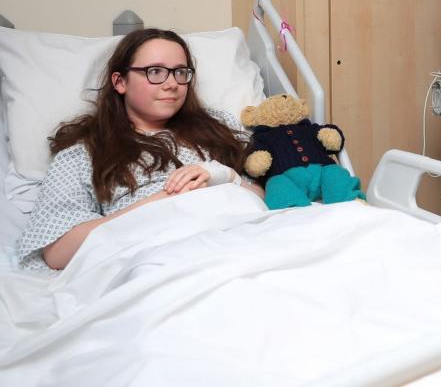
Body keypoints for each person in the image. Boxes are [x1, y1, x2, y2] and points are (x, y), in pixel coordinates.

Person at [16, 28, 262, 272]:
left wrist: (225, 177)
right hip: (160, 256)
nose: (172, 84)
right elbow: (58, 252)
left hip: (242, 239)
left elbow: (262, 200)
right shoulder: (86, 152)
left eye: (180, 72)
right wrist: (162, 203)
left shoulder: (217, 128)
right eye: (155, 72)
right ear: (120, 82)